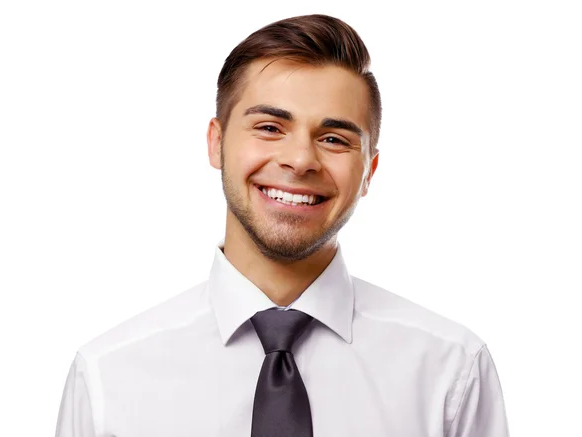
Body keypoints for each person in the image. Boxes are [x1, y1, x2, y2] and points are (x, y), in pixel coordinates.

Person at [55, 14, 509, 437]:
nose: (299, 160)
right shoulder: (107, 377)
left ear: (369, 170)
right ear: (217, 143)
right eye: (270, 127)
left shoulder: (451, 371)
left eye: (334, 139)